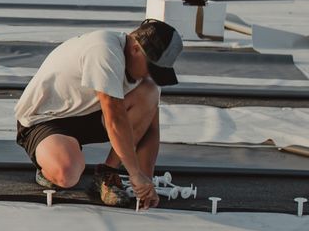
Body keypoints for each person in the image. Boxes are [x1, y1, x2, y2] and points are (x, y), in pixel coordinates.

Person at [14, 18, 183, 209]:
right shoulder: (104, 50)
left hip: (89, 114)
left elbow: (151, 130)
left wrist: (146, 182)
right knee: (67, 173)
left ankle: (107, 175)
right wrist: (134, 173)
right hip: (45, 119)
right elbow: (115, 117)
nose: (149, 75)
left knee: (149, 91)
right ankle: (48, 165)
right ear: (136, 48)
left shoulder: (145, 77)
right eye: (151, 68)